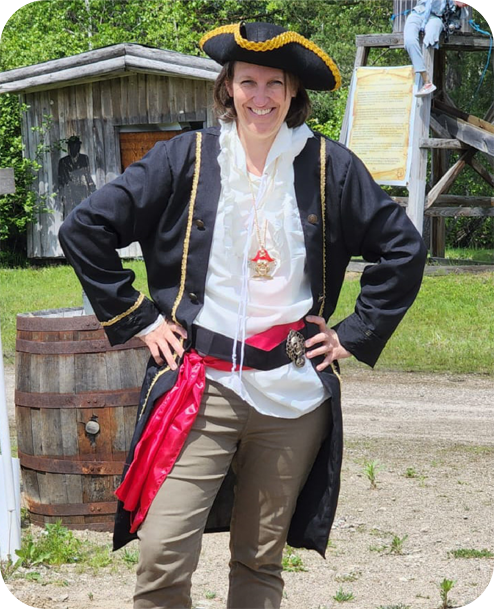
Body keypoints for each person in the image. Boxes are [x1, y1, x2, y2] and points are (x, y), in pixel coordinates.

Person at [59, 21, 427, 609]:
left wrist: (353, 333)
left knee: (259, 559)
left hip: (291, 396)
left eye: (274, 84)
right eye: (247, 81)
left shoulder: (329, 165)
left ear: (293, 91)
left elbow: (403, 248)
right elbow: (86, 227)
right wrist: (140, 319)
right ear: (227, 87)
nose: (261, 97)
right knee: (162, 554)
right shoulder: (186, 157)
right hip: (200, 388)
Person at [404, 0, 467, 96]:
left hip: (436, 18)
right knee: (409, 40)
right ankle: (426, 79)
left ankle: (427, 83)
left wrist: (453, 24)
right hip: (419, 12)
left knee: (430, 39)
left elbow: (456, 17)